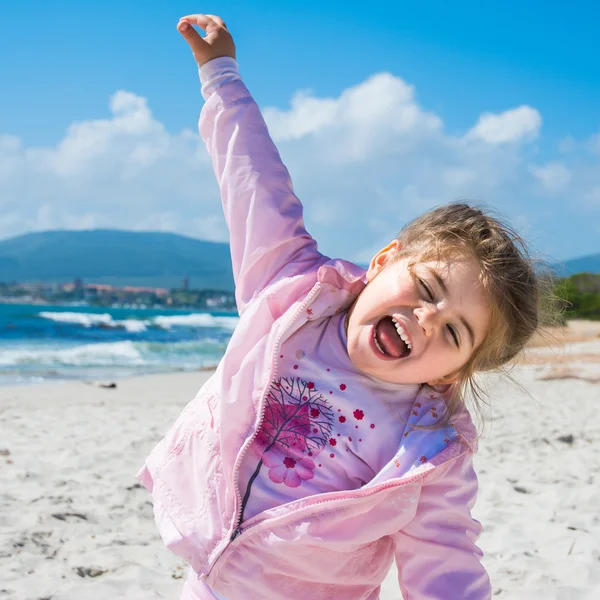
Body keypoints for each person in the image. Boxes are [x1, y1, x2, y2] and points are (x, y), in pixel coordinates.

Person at [137, 13, 544, 600]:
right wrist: (221, 75)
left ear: (453, 370)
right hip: (206, 571)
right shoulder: (292, 290)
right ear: (383, 261)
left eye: (455, 332)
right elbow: (254, 184)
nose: (426, 319)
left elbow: (448, 562)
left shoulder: (428, 454)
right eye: (426, 289)